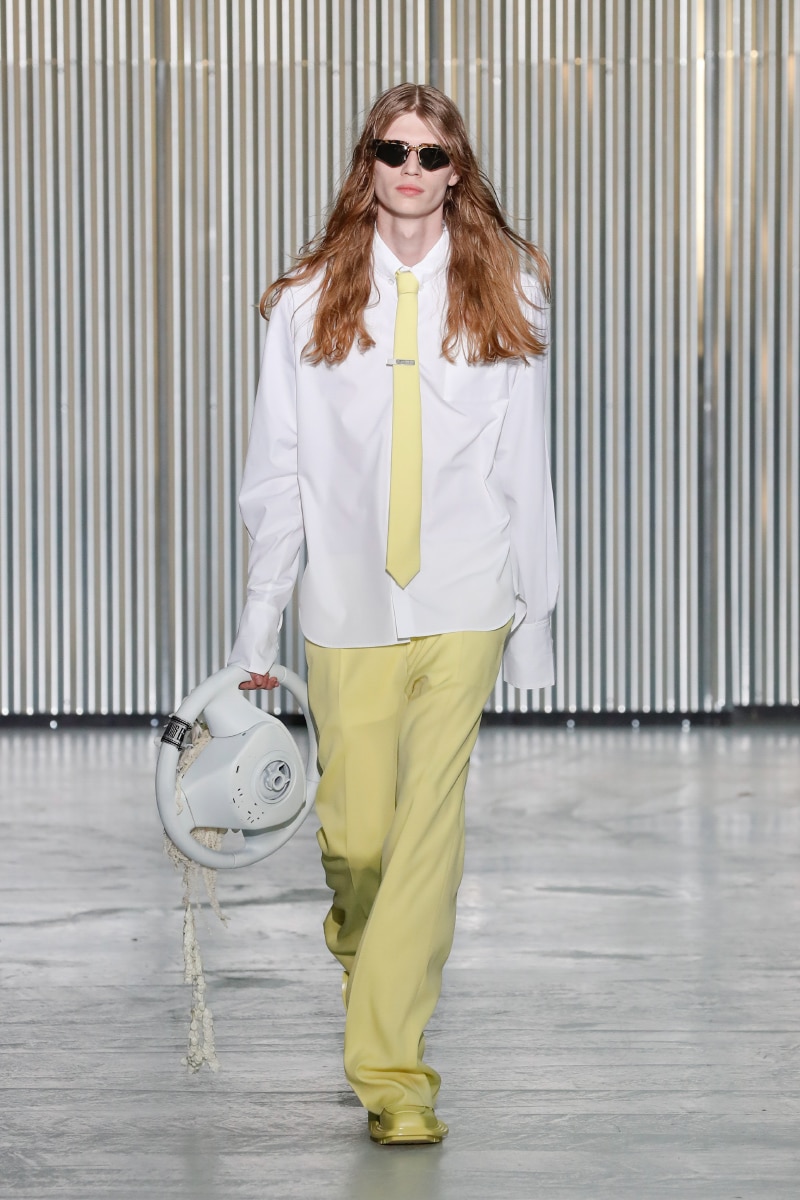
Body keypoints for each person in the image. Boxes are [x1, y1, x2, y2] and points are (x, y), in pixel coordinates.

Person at [228, 82, 558, 1146]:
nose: (411, 170)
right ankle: (360, 943)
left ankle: (393, 1076)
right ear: (364, 163)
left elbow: (525, 465)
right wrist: (257, 624)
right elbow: (277, 471)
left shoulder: (507, 284)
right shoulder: (304, 300)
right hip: (347, 604)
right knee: (360, 838)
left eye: (431, 154)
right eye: (392, 150)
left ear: (456, 172)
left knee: (425, 837)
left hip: (467, 595)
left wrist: (536, 619)